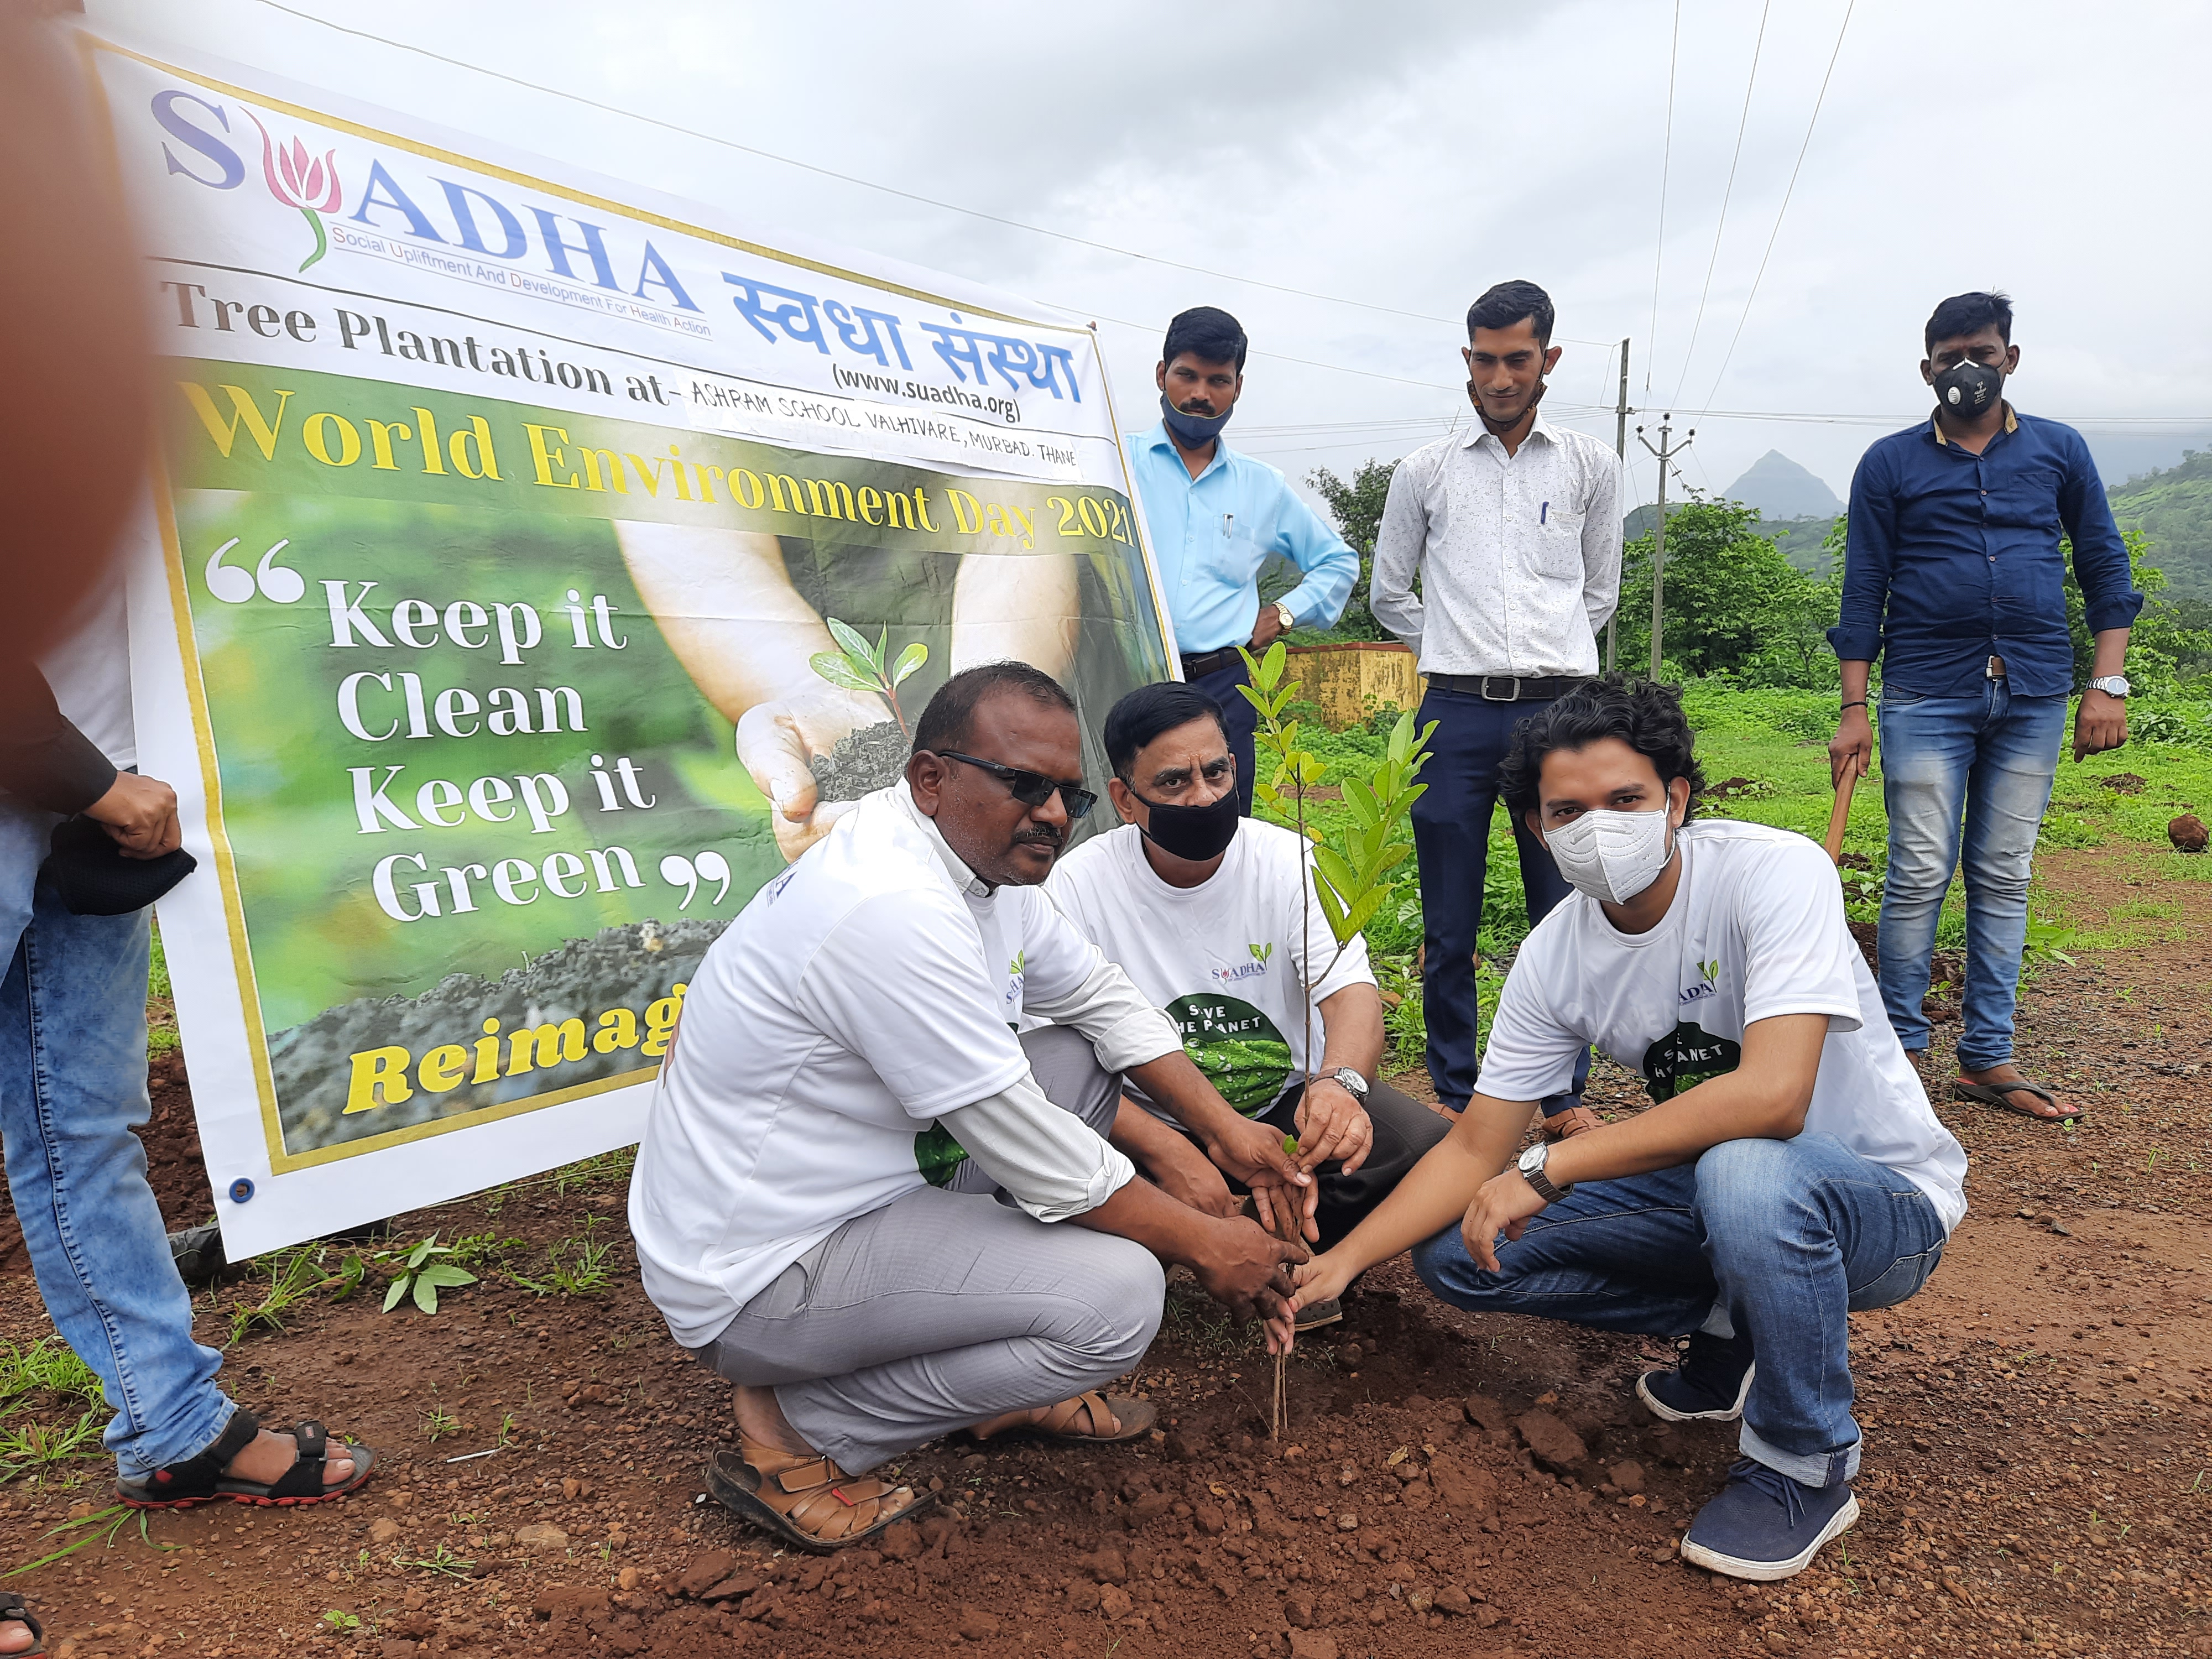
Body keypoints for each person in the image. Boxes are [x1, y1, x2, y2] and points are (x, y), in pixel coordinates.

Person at [1290, 677, 1966, 1583]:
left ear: (1677, 798)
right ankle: (1740, 1324)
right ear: (1535, 827)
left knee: (1747, 1174)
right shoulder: (1555, 954)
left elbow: (1774, 1100)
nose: (1598, 827)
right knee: (1460, 1255)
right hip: (1724, 1191)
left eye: (1627, 800)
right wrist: (1344, 1261)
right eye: (1566, 810)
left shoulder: (1775, 871)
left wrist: (1551, 1166)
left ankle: (1807, 1463)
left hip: (1876, 1204)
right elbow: (1471, 1147)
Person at [629, 662, 1309, 1552]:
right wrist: (1207, 1242)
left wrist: (1225, 1130)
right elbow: (1036, 1153)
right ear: (931, 778)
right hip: (762, 1266)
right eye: (1024, 785)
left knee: (1070, 1058)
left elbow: (1100, 995)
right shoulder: (891, 909)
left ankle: (996, 1376)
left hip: (848, 1189)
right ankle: (802, 1427)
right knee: (1119, 1300)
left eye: (1068, 794)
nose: (1054, 816)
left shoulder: (970, 859)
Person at [1043, 681, 1452, 1320]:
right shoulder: (1075, 889)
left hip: (1280, 1108)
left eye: (1215, 772)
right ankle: (1187, 1246)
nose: (1203, 796)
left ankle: (1303, 1262)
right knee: (1061, 1191)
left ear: (1235, 767)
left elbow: (1350, 993)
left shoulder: (1287, 861)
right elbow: (1051, 1063)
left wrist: (1338, 1085)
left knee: (1426, 1149)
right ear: (1125, 799)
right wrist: (1171, 1151)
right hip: (1150, 1124)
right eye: (1174, 783)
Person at [1829, 291, 2140, 1123]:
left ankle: (1987, 1057)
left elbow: (2104, 567)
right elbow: (1864, 588)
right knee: (1920, 871)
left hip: (2036, 689)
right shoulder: (1890, 464)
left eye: (1984, 350)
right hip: (1926, 690)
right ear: (1927, 368)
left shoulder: (2059, 452)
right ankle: (1893, 1055)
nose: (1968, 367)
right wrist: (1854, 707)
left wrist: (2105, 684)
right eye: (1950, 355)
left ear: (2011, 357)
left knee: (2004, 874)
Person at [1369, 279, 1621, 1134]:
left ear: (1548, 358)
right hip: (1455, 712)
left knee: (1566, 906)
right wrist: (1453, 651)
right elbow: (1388, 594)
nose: (1501, 377)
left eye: (1518, 359)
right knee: (1450, 916)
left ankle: (1559, 1092)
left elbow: (1600, 591)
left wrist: (1550, 661)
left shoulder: (1590, 463)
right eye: (1485, 359)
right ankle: (1455, 1085)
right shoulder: (1425, 473)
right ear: (1467, 360)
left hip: (1561, 717)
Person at [1125, 305, 1359, 812]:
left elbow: (1338, 562)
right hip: (1126, 676)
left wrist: (1284, 613)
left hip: (1221, 689)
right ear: (1162, 375)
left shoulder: (1262, 487)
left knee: (1220, 828)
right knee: (1119, 822)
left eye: (1218, 380)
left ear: (1238, 387)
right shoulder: (1115, 464)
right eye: (1186, 375)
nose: (1200, 395)